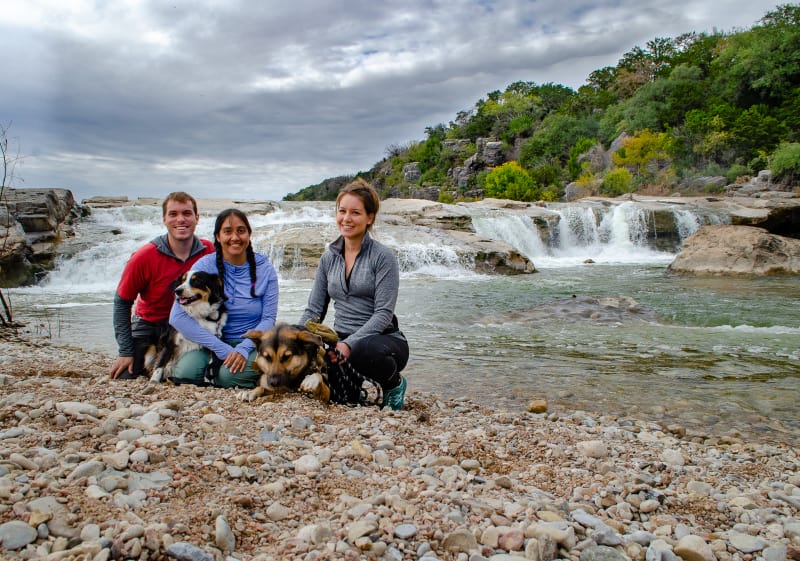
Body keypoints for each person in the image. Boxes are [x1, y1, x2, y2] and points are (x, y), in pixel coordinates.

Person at [299, 178, 409, 410]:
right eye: (342, 211)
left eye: (355, 213)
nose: (347, 219)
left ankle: (394, 384)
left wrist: (349, 344)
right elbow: (314, 310)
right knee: (340, 399)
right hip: (340, 342)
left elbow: (383, 314)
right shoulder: (328, 257)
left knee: (363, 349)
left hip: (383, 341)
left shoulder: (383, 257)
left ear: (370, 217)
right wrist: (296, 336)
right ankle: (354, 389)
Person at [169, 208, 279, 388]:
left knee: (227, 378)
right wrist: (222, 350)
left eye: (241, 231)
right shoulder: (205, 265)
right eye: (227, 231)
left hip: (251, 343)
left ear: (249, 234)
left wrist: (243, 349)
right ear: (218, 237)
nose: (235, 237)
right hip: (211, 341)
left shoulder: (265, 268)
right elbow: (177, 317)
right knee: (186, 374)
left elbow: (268, 319)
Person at [109, 192, 214, 380]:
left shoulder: (209, 252)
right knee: (127, 375)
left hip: (191, 322)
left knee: (188, 375)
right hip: (151, 324)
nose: (180, 219)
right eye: (173, 214)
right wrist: (125, 351)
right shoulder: (143, 257)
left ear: (197, 218)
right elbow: (122, 302)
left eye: (187, 213)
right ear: (164, 219)